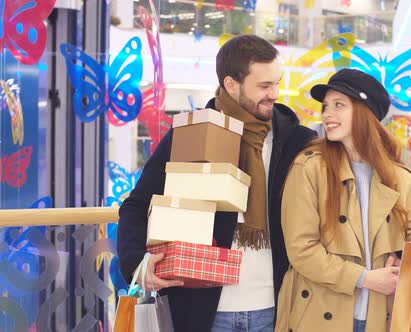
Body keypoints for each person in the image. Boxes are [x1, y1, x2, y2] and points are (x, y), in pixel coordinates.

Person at [117, 34, 317, 331]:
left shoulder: (295, 141)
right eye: (264, 86)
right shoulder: (192, 132)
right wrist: (137, 263)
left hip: (276, 309)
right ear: (231, 85)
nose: (274, 93)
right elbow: (137, 204)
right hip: (203, 309)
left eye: (277, 82)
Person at [276, 68, 411, 332]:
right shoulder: (309, 168)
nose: (327, 114)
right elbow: (301, 250)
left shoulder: (398, 176)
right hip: (320, 313)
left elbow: (410, 247)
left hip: (380, 315)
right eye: (326, 106)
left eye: (339, 105)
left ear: (366, 113)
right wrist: (365, 278)